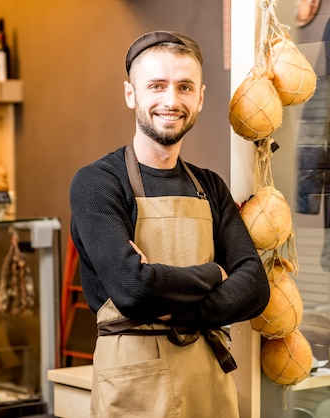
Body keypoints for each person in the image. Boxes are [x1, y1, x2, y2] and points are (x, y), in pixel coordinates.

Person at [69, 30, 270, 418]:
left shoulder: (209, 185)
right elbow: (133, 290)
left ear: (200, 97)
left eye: (184, 87)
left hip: (209, 381)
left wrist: (182, 310)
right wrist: (215, 272)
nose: (171, 100)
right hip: (134, 388)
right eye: (156, 86)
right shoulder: (99, 183)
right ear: (131, 94)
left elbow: (255, 287)